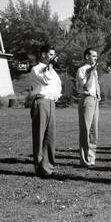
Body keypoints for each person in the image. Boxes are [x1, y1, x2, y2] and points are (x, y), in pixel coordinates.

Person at [30, 44, 62, 178]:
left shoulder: (53, 71)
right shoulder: (35, 69)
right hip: (41, 102)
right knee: (39, 135)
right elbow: (45, 80)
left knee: (50, 136)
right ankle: (39, 168)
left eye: (54, 55)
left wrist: (55, 97)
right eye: (50, 55)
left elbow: (58, 86)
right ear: (43, 55)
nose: (53, 57)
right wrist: (49, 66)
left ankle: (49, 166)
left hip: (51, 103)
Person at [76, 48, 101, 167]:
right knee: (85, 130)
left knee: (93, 131)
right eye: (93, 56)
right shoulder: (82, 70)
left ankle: (91, 158)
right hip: (87, 99)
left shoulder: (94, 70)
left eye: (96, 56)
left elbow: (96, 86)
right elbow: (87, 86)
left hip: (95, 100)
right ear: (87, 57)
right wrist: (91, 72)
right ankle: (84, 159)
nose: (96, 58)